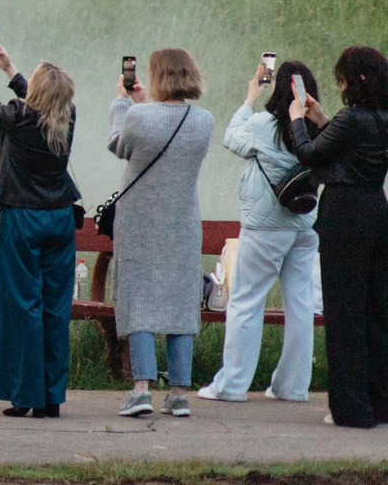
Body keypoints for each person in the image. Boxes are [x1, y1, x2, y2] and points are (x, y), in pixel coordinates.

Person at [0, 39, 78, 417]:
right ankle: (51, 397)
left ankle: (26, 395)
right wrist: (10, 69)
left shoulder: (18, 115)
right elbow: (42, 100)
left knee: (23, 305)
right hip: (60, 217)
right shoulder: (67, 115)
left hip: (23, 218)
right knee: (55, 308)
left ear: (36, 90)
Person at [204, 56, 321, 403]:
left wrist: (249, 97)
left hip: (266, 227)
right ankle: (292, 386)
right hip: (305, 227)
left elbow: (230, 138)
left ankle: (232, 385)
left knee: (246, 301)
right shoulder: (317, 127)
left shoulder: (262, 125)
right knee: (300, 305)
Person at [283, 44, 388, 427]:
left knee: (344, 311)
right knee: (376, 309)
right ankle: (379, 402)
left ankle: (350, 408)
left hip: (345, 213)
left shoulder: (353, 117)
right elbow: (349, 146)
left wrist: (297, 119)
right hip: (376, 208)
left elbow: (309, 153)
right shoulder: (380, 118)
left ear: (351, 80)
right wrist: (322, 118)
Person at [109, 47, 212, 418]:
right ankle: (179, 393)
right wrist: (142, 106)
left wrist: (122, 103)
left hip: (139, 222)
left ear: (156, 77)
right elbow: (165, 131)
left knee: (138, 297)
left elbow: (119, 144)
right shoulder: (204, 121)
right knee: (181, 300)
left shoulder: (137, 116)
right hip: (183, 223)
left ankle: (141, 390)